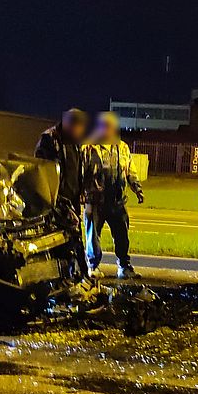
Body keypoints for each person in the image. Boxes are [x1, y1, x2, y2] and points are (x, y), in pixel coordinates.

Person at [83, 111, 144, 279]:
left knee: (122, 235)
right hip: (95, 201)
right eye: (105, 126)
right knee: (93, 236)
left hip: (117, 201)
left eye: (111, 126)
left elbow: (129, 170)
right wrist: (81, 194)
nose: (108, 130)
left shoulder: (122, 147)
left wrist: (137, 188)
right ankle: (93, 266)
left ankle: (124, 267)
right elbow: (80, 173)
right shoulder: (88, 147)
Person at [35, 109, 90, 281]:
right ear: (69, 124)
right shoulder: (50, 139)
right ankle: (61, 277)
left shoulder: (75, 142)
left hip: (72, 200)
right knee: (59, 241)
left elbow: (78, 168)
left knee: (74, 239)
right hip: (56, 202)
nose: (81, 132)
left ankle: (79, 276)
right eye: (78, 127)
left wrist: (81, 191)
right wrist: (54, 199)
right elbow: (42, 170)